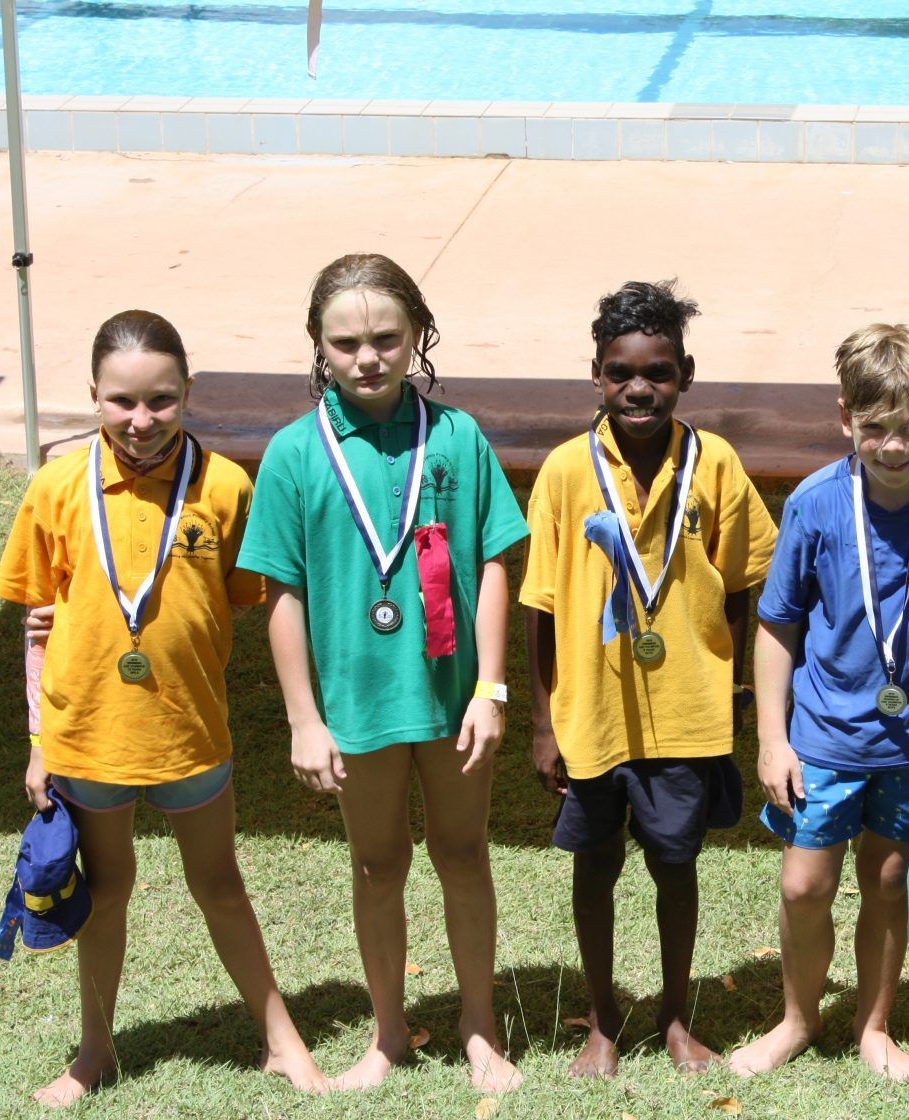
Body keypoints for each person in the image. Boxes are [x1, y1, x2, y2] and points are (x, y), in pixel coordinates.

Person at [0, 310, 324, 1107]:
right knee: (106, 892)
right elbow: (35, 625)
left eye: (162, 401)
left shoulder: (225, 487)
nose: (141, 421)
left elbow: (248, 597)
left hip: (190, 732)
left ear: (188, 391)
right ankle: (96, 1050)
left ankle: (281, 1040)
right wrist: (41, 740)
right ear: (94, 397)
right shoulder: (57, 485)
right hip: (87, 734)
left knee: (221, 885)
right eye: (121, 402)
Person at [238, 254, 529, 1093]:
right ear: (318, 348)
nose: (368, 358)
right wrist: (303, 717)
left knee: (465, 852)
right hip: (356, 705)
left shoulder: (458, 437)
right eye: (347, 342)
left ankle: (479, 1029)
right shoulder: (295, 452)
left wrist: (491, 688)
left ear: (418, 337)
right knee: (376, 863)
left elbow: (497, 563)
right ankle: (390, 1031)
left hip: (450, 699)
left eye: (386, 338)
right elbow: (281, 592)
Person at [729, 323, 909, 1082]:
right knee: (804, 883)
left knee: (890, 880)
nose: (893, 446)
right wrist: (771, 738)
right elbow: (776, 630)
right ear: (844, 417)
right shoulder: (816, 504)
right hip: (822, 738)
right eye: (875, 427)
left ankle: (875, 1026)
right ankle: (797, 1017)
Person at [521, 280, 776, 1077]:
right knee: (594, 867)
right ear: (596, 374)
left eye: (658, 372)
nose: (640, 388)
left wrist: (731, 690)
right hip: (591, 714)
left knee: (676, 864)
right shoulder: (566, 471)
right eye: (621, 371)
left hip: (686, 712)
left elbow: (740, 588)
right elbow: (543, 607)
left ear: (685, 374)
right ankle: (602, 1020)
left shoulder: (717, 464)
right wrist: (542, 722)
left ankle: (673, 1015)